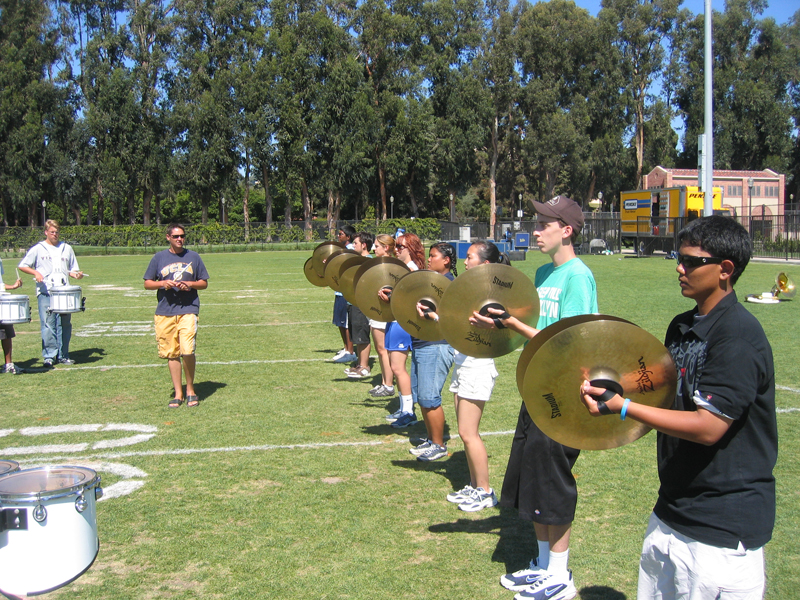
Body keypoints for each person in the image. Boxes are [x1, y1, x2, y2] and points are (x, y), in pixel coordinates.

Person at [581, 215, 776, 600]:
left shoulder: (738, 337)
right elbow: (663, 393)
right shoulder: (682, 327)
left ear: (725, 270)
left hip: (720, 530)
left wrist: (623, 407)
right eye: (679, 257)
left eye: (691, 261)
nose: (679, 268)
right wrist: (613, 389)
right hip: (672, 510)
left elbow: (708, 427)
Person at [473, 196, 597, 599]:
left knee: (554, 484)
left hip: (563, 397)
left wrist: (511, 322)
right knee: (534, 482)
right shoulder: (543, 273)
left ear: (567, 230)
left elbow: (572, 343)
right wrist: (495, 323)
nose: (536, 230)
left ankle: (560, 576)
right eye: (537, 222)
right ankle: (543, 564)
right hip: (536, 390)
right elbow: (527, 330)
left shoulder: (579, 277)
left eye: (545, 224)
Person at [143, 223, 209, 408]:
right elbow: (147, 283)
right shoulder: (159, 258)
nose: (180, 239)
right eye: (176, 236)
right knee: (172, 353)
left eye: (182, 236)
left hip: (188, 308)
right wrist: (163, 283)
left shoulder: (193, 257)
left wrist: (189, 284)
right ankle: (178, 393)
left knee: (187, 350)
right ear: (168, 237)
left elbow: (203, 283)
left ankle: (190, 389)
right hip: (165, 311)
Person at [407, 242, 457, 461]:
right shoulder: (432, 281)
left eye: (434, 256)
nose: (429, 259)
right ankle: (431, 438)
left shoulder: (448, 284)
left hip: (436, 345)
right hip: (422, 343)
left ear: (446, 260)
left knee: (429, 396)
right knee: (421, 395)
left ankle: (438, 445)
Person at [18, 220, 84, 367]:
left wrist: (77, 275)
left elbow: (72, 270)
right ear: (46, 232)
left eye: (57, 232)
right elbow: (22, 265)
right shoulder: (38, 248)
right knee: (48, 324)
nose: (55, 235)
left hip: (64, 292)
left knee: (65, 324)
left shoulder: (66, 248)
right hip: (46, 291)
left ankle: (63, 355)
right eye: (52, 232)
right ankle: (49, 356)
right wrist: (36, 272)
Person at [382, 233, 425, 427]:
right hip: (395, 319)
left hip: (403, 322)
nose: (396, 249)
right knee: (395, 367)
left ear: (412, 248)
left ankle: (409, 411)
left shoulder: (412, 270)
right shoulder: (403, 268)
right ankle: (403, 407)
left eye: (401, 246)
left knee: (399, 368)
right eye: (396, 246)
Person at [367, 234, 397, 398]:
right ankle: (385, 381)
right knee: (381, 349)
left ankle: (388, 384)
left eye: (377, 246)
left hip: (385, 311)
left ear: (386, 248)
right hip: (377, 309)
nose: (373, 248)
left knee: (383, 348)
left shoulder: (391, 265)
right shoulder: (378, 263)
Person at [343, 232, 374, 379]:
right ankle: (359, 364)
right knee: (357, 336)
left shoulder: (368, 262)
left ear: (364, 245)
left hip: (361, 304)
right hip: (352, 302)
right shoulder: (357, 260)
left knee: (362, 335)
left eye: (355, 243)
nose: (352, 245)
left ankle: (364, 366)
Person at [330, 225, 357, 363]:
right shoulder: (343, 250)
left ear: (348, 236)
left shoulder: (351, 250)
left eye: (341, 234)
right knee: (340, 322)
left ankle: (350, 351)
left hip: (345, 292)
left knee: (346, 323)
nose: (338, 236)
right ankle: (346, 348)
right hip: (339, 290)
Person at [0, 258, 24, 374]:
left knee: (6, 331)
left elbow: (0, 283)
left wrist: (13, 286)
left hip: (2, 298)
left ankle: (8, 364)